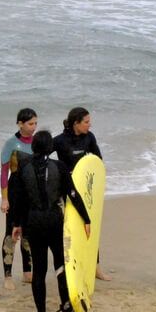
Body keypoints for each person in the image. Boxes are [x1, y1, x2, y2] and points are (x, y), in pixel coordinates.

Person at [9, 130, 91, 312]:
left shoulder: (24, 168)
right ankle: (67, 310)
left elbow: (19, 199)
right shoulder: (59, 166)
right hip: (54, 221)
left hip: (33, 222)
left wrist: (16, 224)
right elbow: (72, 195)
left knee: (39, 269)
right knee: (61, 265)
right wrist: (86, 219)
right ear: (50, 147)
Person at [53, 106, 111, 281]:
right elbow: (42, 158)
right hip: (66, 191)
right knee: (68, 229)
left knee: (89, 225)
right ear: (75, 123)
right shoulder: (60, 141)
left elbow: (98, 161)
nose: (89, 125)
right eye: (86, 122)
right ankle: (71, 267)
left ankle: (96, 268)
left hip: (86, 191)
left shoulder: (89, 138)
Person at [0, 108, 35, 290]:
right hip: (15, 192)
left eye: (35, 123)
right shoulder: (11, 143)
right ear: (20, 124)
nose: (33, 127)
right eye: (30, 124)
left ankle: (28, 273)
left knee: (28, 233)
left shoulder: (37, 142)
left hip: (31, 192)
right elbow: (4, 172)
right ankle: (8, 275)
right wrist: (4, 199)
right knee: (11, 234)